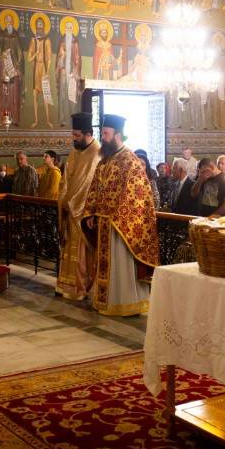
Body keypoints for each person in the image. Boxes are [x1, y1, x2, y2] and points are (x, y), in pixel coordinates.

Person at [82, 115, 158, 316]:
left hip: (121, 226)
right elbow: (95, 189)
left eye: (106, 134)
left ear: (117, 134)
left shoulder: (130, 161)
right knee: (108, 265)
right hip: (103, 223)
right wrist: (92, 213)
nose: (103, 137)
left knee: (121, 265)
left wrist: (114, 215)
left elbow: (137, 196)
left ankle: (126, 303)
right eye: (102, 133)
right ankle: (106, 301)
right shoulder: (104, 162)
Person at [56, 113, 101, 301]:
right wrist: (63, 199)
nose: (73, 139)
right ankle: (66, 284)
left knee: (81, 252)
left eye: (76, 135)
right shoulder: (75, 151)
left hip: (83, 212)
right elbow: (66, 178)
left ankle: (81, 287)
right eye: (72, 135)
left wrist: (72, 203)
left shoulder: (97, 153)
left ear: (87, 133)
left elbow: (88, 184)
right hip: (70, 207)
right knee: (69, 248)